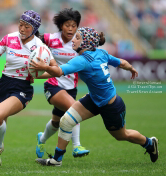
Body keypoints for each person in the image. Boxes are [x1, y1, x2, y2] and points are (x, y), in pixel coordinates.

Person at [30, 27, 159, 166]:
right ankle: (57, 160)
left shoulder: (82, 60)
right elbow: (121, 62)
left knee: (122, 135)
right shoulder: (101, 52)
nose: (73, 40)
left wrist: (44, 66)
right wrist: (131, 68)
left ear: (85, 42)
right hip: (94, 99)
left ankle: (149, 143)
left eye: (77, 37)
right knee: (66, 121)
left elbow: (59, 71)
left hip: (110, 105)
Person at [0, 10, 57, 169]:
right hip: (4, 83)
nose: (22, 29)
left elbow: (55, 69)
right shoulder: (9, 38)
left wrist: (38, 72)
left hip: (22, 88)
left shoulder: (40, 47)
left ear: (34, 29)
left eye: (26, 26)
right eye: (20, 25)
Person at [34, 8, 90, 158]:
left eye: (74, 25)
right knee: (75, 110)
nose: (70, 29)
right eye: (67, 25)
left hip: (71, 88)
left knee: (56, 122)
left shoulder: (79, 43)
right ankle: (76, 146)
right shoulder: (51, 38)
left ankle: (42, 138)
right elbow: (32, 40)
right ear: (61, 26)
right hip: (53, 85)